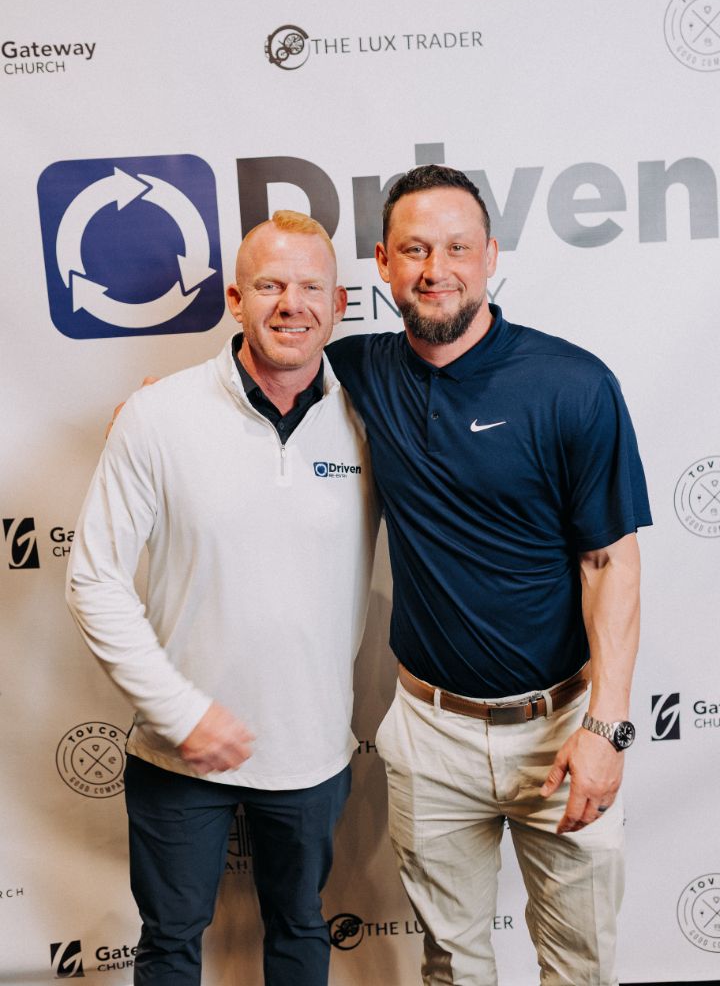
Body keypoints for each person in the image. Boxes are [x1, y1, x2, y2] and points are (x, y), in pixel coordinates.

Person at [323, 164, 652, 986]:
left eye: (458, 248)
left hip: (562, 727)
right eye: (414, 250)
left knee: (579, 969)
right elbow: (264, 369)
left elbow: (610, 563)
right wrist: (162, 412)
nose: (436, 269)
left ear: (491, 255)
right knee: (452, 968)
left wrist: (607, 729)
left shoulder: (573, 384)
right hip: (430, 734)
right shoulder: (356, 370)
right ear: (383, 263)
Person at [66, 210, 380, 986]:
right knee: (171, 944)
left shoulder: (374, 421)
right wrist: (181, 713)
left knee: (299, 927)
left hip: (311, 749)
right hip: (176, 755)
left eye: (311, 287)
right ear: (235, 300)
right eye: (269, 286)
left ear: (339, 304)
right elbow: (94, 580)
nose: (291, 305)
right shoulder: (157, 416)